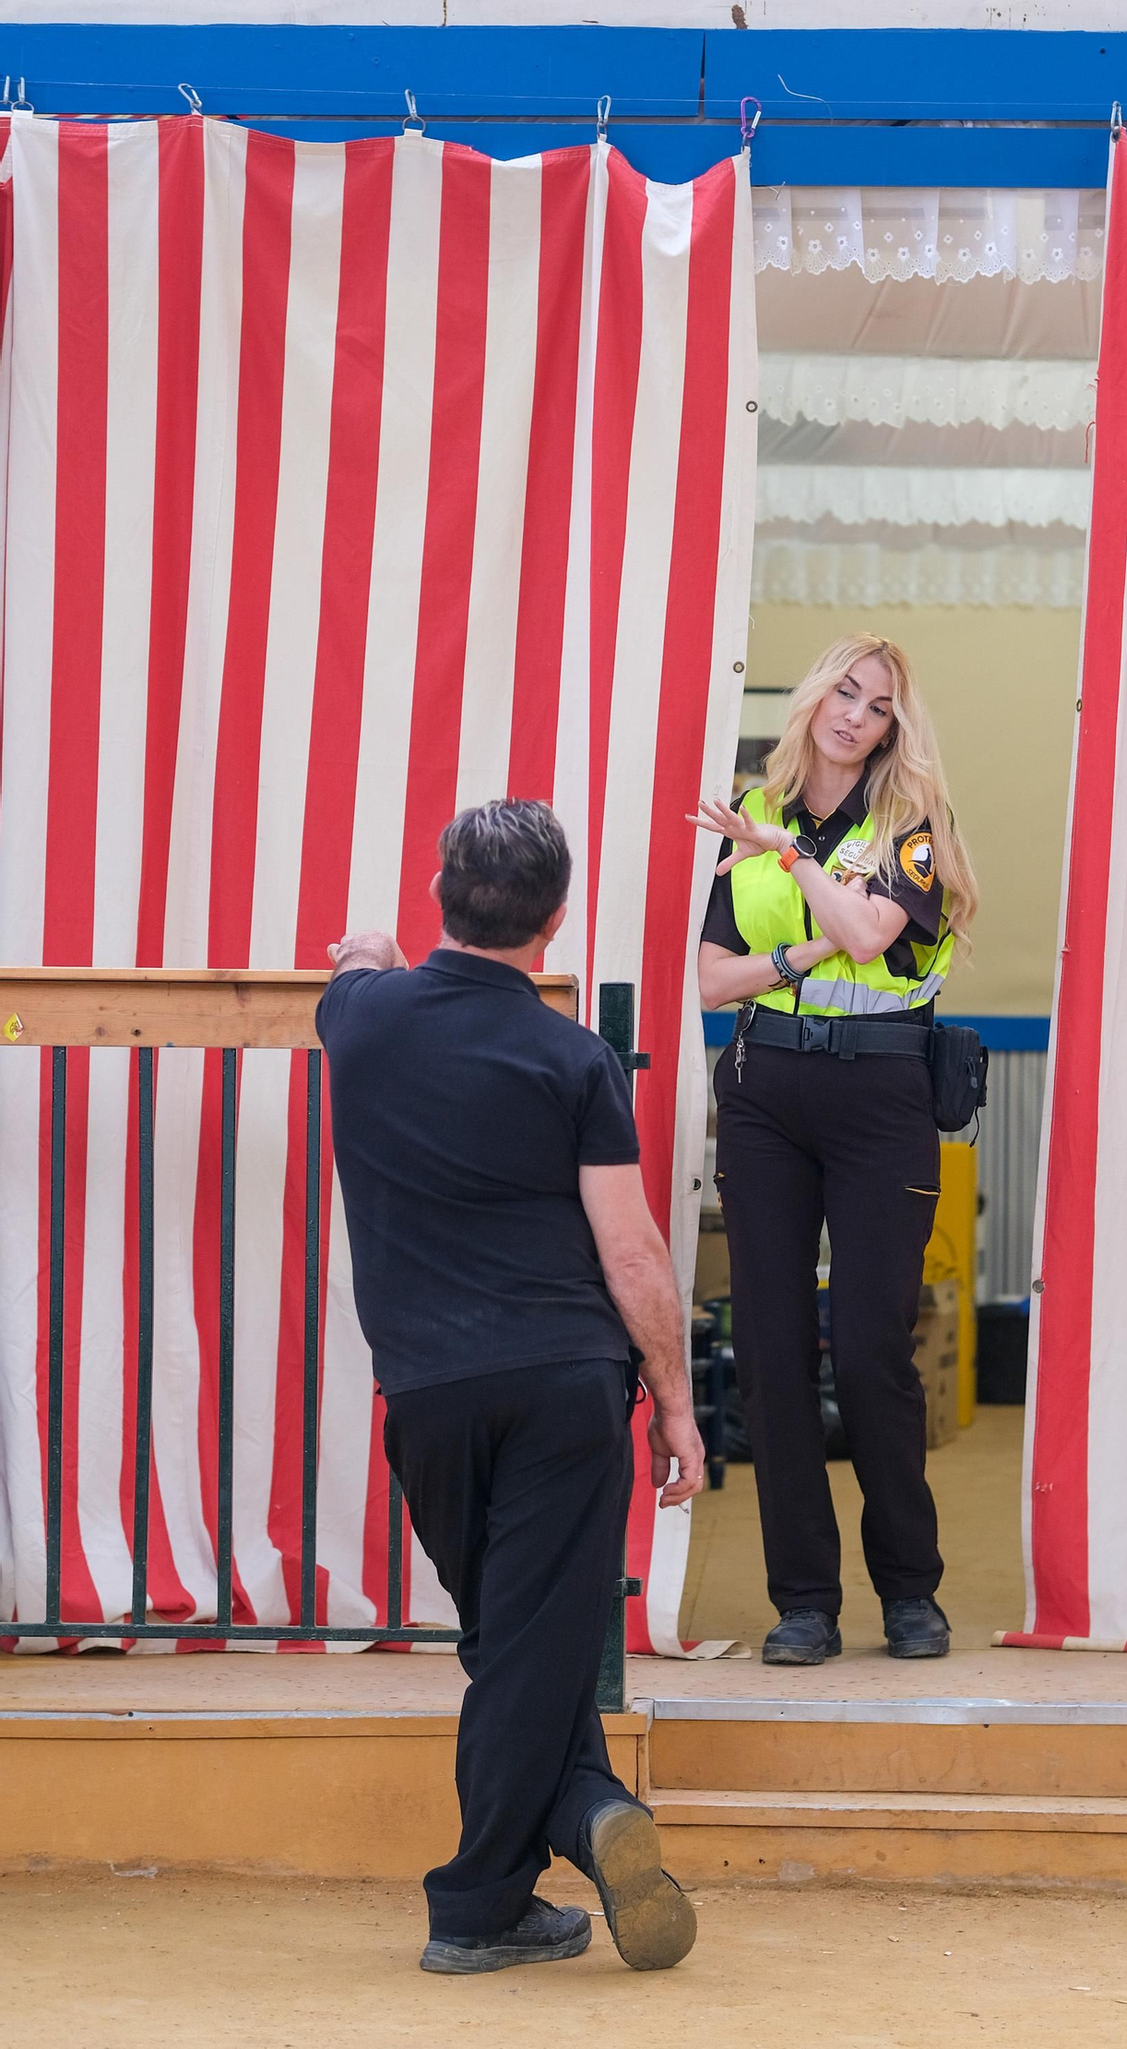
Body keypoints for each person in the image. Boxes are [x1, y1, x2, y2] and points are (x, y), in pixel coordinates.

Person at [317, 798, 702, 1977]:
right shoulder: (574, 1057)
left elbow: (357, 969)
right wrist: (677, 1403)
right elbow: (632, 1252)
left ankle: (582, 1813)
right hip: (563, 1384)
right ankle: (484, 1897)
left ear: (442, 890)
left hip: (429, 1392)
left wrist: (369, 953)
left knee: (511, 1635)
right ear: (556, 921)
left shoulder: (361, 1021)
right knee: (527, 1639)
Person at [691, 634, 979, 1667]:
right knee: (771, 1355)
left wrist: (796, 867)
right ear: (814, 697)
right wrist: (799, 940)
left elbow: (870, 938)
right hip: (764, 1092)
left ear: (896, 727)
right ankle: (804, 1601)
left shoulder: (913, 823)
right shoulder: (753, 814)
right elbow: (712, 981)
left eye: (879, 705)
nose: (855, 714)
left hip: (880, 1095)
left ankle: (909, 1590)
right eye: (845, 692)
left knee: (868, 1353)